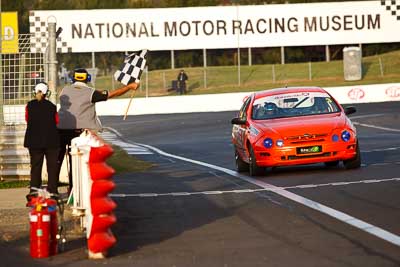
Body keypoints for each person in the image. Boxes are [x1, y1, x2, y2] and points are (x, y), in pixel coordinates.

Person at [57, 68, 139, 190]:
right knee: (79, 160)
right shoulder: (91, 93)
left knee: (58, 159)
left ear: (73, 78)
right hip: (80, 133)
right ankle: (75, 187)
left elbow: (82, 93)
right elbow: (112, 94)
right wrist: (129, 87)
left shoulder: (64, 90)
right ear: (87, 78)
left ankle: (52, 186)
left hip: (61, 130)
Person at [24, 82, 60, 199]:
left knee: (35, 166)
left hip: (34, 140)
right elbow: (57, 121)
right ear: (47, 93)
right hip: (51, 141)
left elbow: (27, 119)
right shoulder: (52, 106)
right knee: (52, 167)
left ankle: (34, 191)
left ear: (34, 92)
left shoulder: (29, 105)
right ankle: (53, 191)